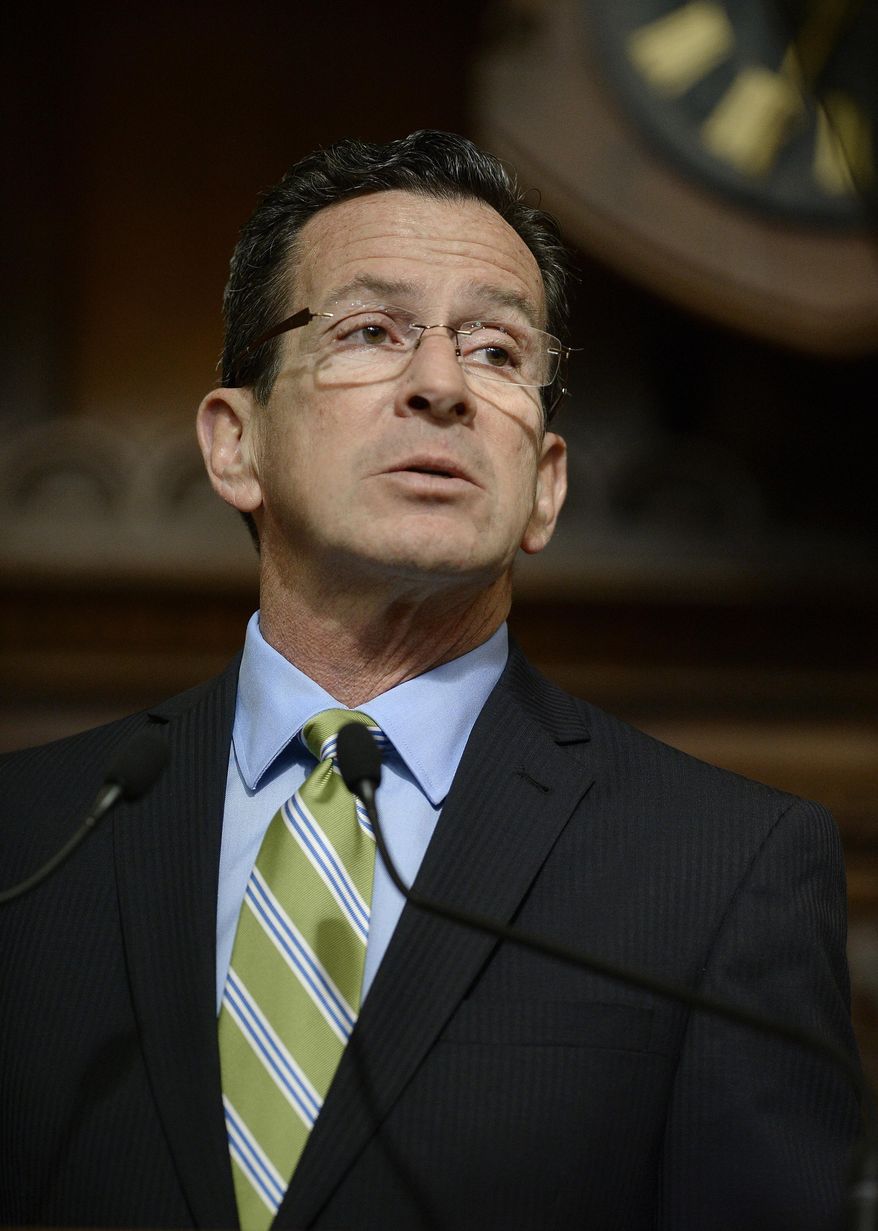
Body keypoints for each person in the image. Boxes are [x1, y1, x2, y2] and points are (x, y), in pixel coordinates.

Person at [0, 130, 861, 1231]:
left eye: (498, 351)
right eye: (370, 331)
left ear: (544, 486)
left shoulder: (723, 868)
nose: (443, 385)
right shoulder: (31, 840)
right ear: (234, 443)